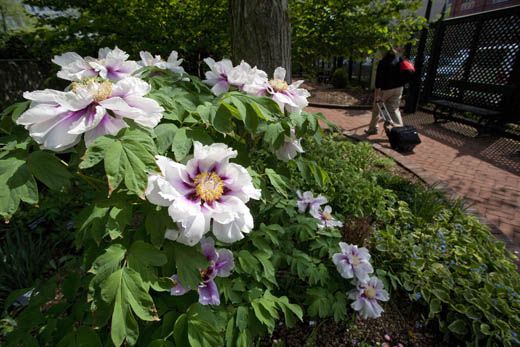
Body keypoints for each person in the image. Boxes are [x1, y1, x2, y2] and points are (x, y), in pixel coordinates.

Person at [365, 48, 405, 135]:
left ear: (384, 53)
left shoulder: (383, 62)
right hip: (399, 88)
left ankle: (373, 129)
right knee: (394, 110)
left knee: (377, 109)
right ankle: (400, 131)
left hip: (386, 89)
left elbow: (378, 80)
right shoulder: (399, 59)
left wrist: (376, 94)